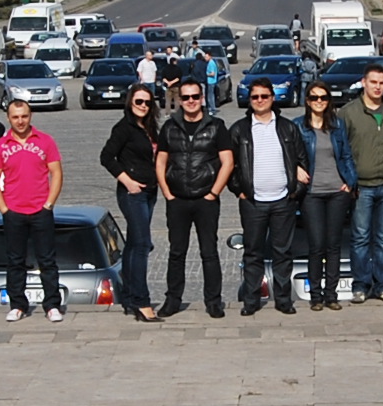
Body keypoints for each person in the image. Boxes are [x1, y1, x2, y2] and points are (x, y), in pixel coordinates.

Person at [155, 78, 234, 319]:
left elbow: (228, 162)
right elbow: (160, 162)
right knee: (176, 252)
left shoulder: (216, 126)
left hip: (205, 199)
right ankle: (172, 300)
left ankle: (214, 301)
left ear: (202, 98)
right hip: (177, 199)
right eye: (186, 97)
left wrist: (213, 193)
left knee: (209, 251)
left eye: (195, 97)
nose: (191, 101)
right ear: (179, 100)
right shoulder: (170, 127)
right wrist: (167, 193)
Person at [230, 79, 310, 315]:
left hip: (283, 200)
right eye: (255, 97)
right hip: (253, 202)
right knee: (253, 252)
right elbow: (228, 164)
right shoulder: (239, 129)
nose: (260, 101)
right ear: (249, 100)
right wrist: (239, 190)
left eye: (264, 96)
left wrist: (295, 191)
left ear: (272, 98)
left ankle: (283, 300)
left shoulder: (287, 128)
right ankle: (251, 300)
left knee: (282, 253)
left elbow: (302, 161)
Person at [0, 96, 66, 322]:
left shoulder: (45, 141)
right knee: (15, 261)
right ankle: (18, 305)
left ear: (30, 116)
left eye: (24, 116)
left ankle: (52, 305)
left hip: (41, 210)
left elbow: (57, 173)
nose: (20, 121)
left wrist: (49, 204)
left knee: (47, 260)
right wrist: (4, 209)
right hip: (14, 211)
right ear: (8, 118)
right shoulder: (0, 146)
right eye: (15, 117)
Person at [98, 83, 163, 319]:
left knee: (135, 244)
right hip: (132, 193)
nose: (143, 106)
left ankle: (128, 298)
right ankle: (141, 301)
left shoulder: (149, 127)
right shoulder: (124, 128)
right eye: (139, 101)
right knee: (143, 244)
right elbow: (106, 157)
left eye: (147, 102)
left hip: (150, 191)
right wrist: (128, 181)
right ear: (130, 102)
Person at [342, 63, 383, 302]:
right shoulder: (349, 113)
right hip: (362, 187)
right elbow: (341, 148)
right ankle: (360, 285)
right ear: (364, 83)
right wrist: (346, 179)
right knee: (360, 237)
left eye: (382, 83)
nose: (378, 87)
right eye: (373, 82)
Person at [297, 79, 357, 310]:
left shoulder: (337, 125)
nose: (319, 101)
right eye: (314, 97)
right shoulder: (298, 126)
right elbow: (290, 154)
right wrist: (296, 169)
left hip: (337, 191)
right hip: (312, 192)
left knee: (333, 245)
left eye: (323, 97)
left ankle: (331, 295)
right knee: (316, 245)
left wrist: (350, 182)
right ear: (307, 101)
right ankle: (316, 296)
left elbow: (346, 156)